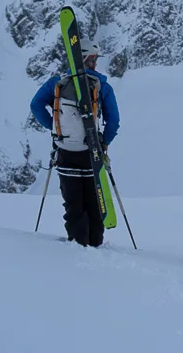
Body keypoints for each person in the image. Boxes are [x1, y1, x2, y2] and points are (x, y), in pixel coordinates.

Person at [30, 44, 120, 247]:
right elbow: (113, 120)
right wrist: (104, 142)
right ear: (88, 60)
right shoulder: (102, 86)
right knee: (95, 200)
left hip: (66, 151)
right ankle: (95, 243)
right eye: (94, 59)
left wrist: (55, 129)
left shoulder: (58, 83)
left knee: (73, 202)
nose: (96, 63)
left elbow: (36, 105)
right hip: (91, 153)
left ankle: (77, 244)